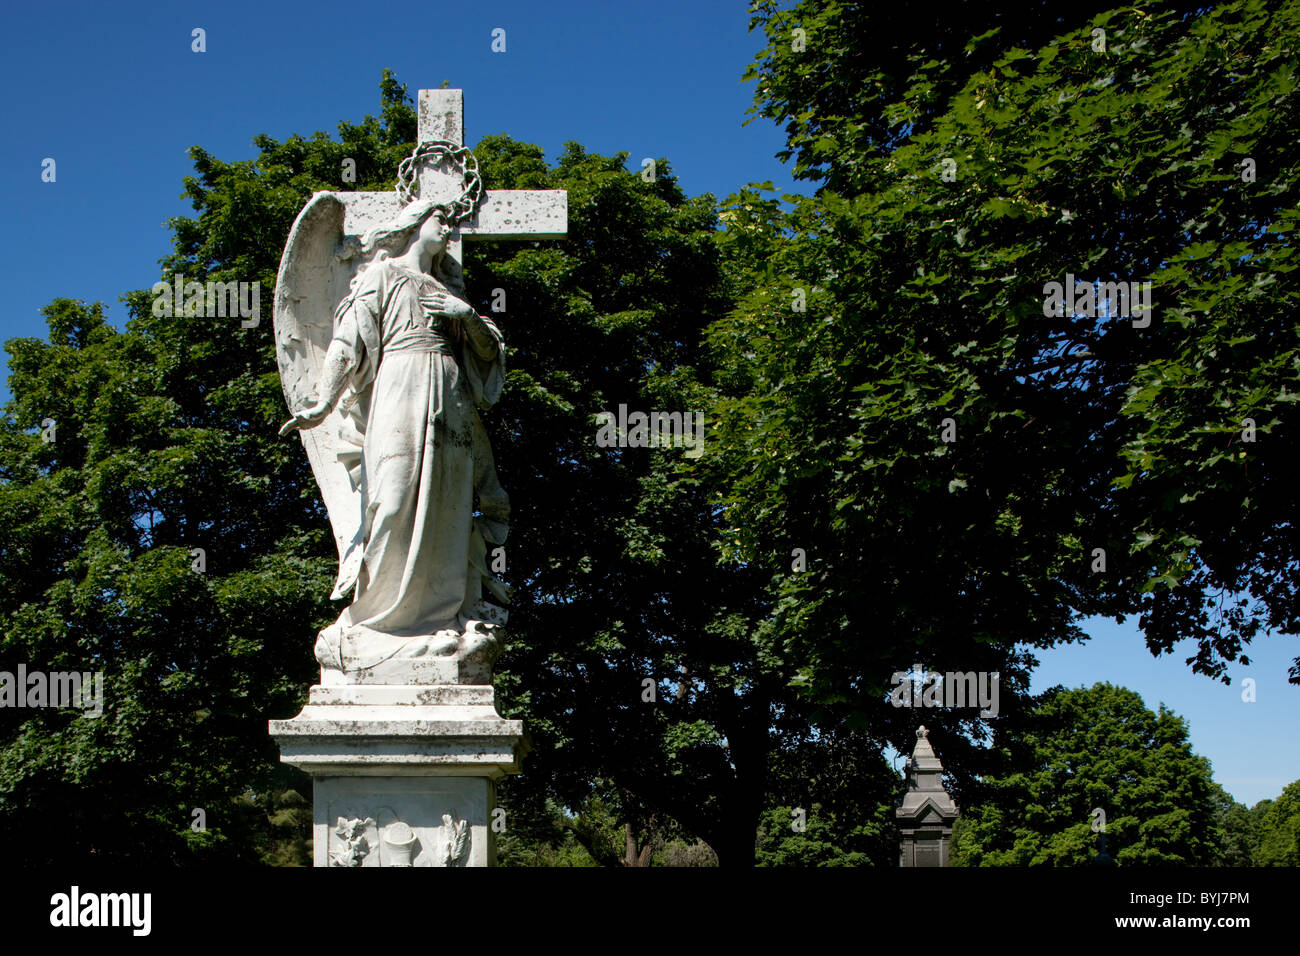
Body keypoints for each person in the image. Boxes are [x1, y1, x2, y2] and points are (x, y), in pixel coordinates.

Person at [280, 199, 509, 672]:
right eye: (439, 219)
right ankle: (376, 619)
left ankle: (442, 615)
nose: (448, 228)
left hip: (451, 400)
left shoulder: (450, 292)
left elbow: (490, 352)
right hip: (399, 389)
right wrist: (323, 402)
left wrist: (463, 314)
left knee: (448, 504)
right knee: (391, 497)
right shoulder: (382, 276)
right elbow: (347, 344)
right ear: (412, 226)